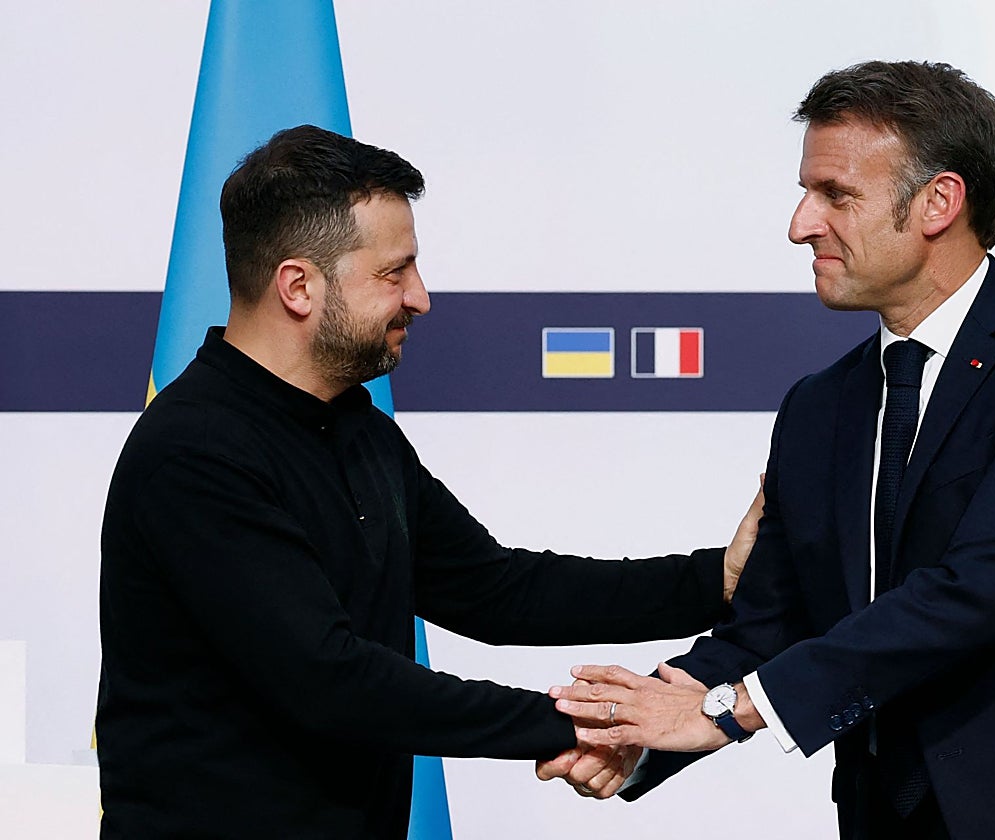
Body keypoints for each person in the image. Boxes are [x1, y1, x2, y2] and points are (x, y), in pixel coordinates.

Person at [542, 60, 995, 838]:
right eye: (805, 192)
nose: (800, 224)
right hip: (887, 812)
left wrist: (727, 710)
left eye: (836, 196)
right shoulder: (819, 406)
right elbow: (772, 622)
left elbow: (977, 587)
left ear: (938, 203)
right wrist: (635, 733)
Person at [96, 124, 763, 839]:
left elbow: (499, 591)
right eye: (395, 272)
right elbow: (330, 681)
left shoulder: (357, 429)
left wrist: (717, 581)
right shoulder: (195, 452)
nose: (420, 297)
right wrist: (581, 722)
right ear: (298, 286)